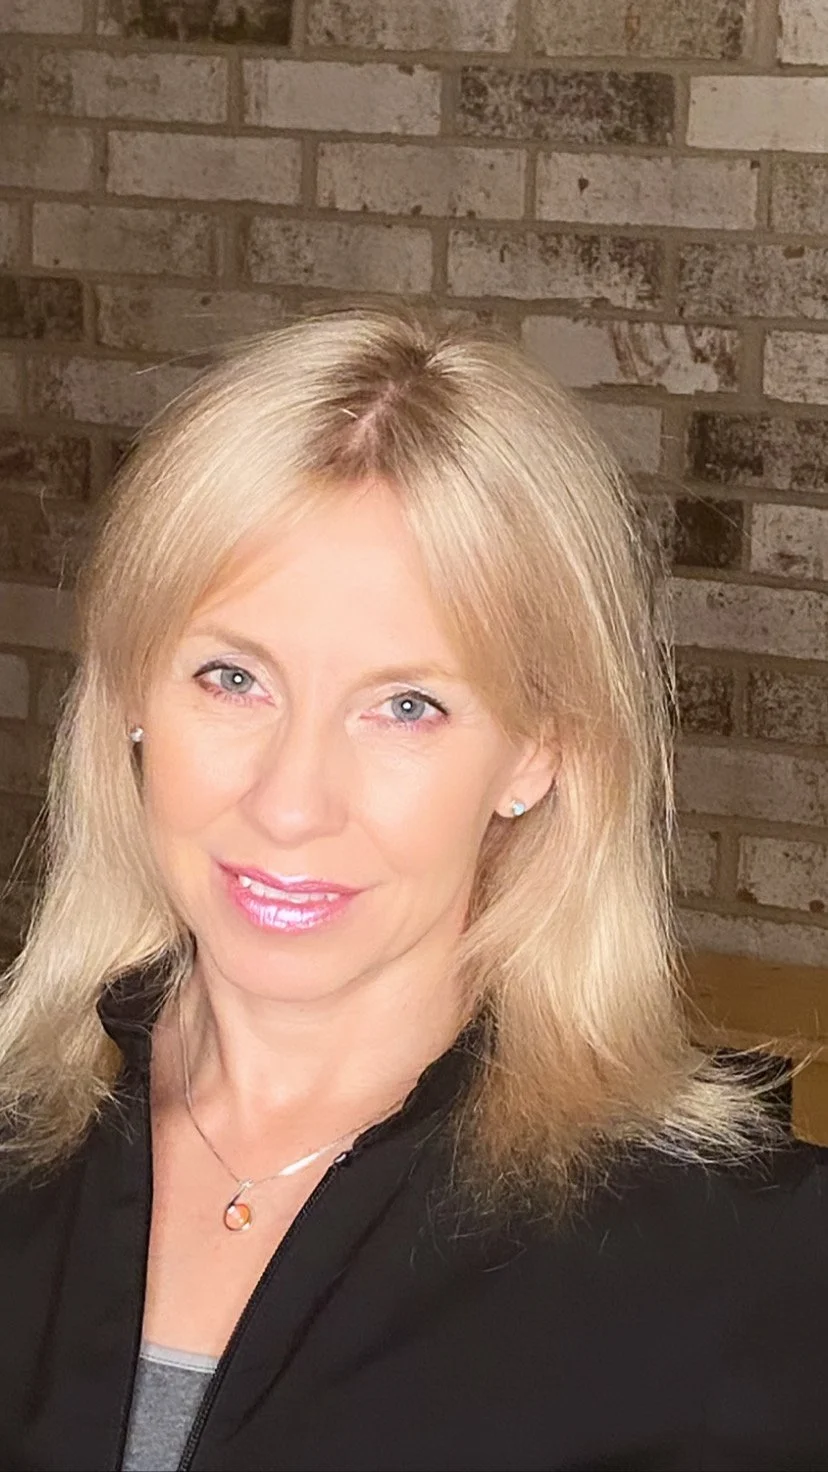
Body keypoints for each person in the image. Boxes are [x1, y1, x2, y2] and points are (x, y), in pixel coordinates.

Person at [0, 306, 825, 1472]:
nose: (291, 803)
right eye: (232, 677)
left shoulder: (744, 1264)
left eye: (406, 705)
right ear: (135, 690)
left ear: (538, 750)